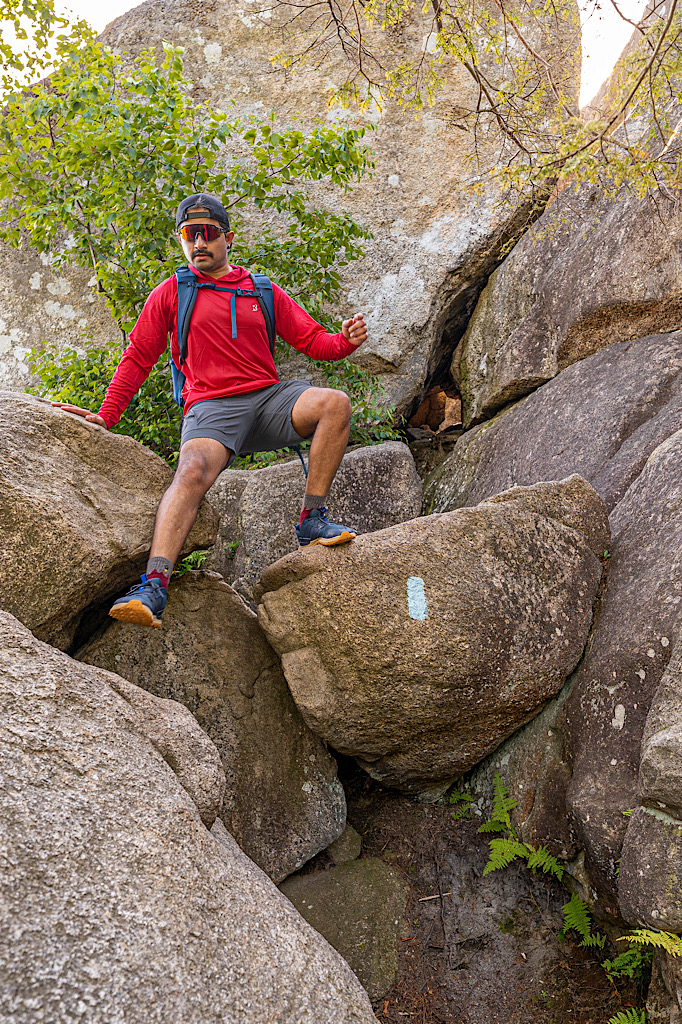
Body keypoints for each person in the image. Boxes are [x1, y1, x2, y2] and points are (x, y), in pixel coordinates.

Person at [54, 192, 368, 628]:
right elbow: (138, 357)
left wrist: (345, 341)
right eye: (189, 234)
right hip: (212, 408)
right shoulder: (173, 291)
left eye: (208, 234)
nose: (199, 243)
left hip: (268, 400)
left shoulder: (261, 289)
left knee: (334, 403)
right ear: (181, 240)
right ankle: (153, 586)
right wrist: (106, 416)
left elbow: (316, 343)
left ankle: (312, 519)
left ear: (228, 239)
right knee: (192, 473)